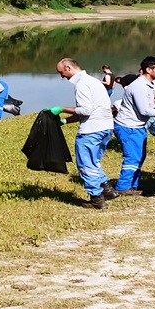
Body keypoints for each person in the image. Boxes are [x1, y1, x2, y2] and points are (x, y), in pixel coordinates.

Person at [45, 58, 117, 209]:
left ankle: (96, 199)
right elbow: (90, 109)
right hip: (105, 127)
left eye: (61, 72)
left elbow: (86, 110)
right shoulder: (94, 81)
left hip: (91, 130)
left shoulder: (82, 84)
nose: (62, 77)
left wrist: (62, 108)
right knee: (93, 162)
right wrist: (64, 122)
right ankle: (108, 190)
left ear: (68, 68)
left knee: (85, 165)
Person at [113, 57, 155, 196]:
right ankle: (122, 187)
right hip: (128, 127)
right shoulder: (139, 86)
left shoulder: (148, 84)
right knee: (132, 157)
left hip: (137, 126)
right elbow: (145, 111)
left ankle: (133, 185)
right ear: (148, 69)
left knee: (140, 157)